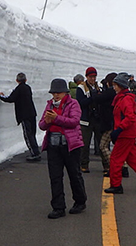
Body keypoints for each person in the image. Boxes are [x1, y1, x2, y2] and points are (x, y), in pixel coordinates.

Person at [38, 78, 87, 218]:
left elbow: (74, 121)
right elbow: (41, 125)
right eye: (54, 93)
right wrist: (47, 122)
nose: (56, 95)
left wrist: (56, 119)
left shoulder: (73, 104)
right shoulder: (50, 106)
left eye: (58, 92)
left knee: (74, 174)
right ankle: (58, 207)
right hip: (54, 146)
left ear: (65, 92)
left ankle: (80, 201)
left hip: (70, 145)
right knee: (55, 177)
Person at [0, 72, 41, 161]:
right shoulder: (28, 88)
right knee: (32, 134)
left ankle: (34, 154)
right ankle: (36, 152)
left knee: (28, 135)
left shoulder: (18, 89)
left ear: (17, 80)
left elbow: (10, 99)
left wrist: (1, 96)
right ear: (26, 80)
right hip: (32, 113)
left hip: (24, 115)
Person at [76, 67, 101, 173]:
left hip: (97, 119)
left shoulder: (99, 87)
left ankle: (106, 166)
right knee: (85, 144)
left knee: (101, 143)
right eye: (91, 77)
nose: (93, 79)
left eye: (94, 77)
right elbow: (80, 103)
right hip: (86, 119)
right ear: (86, 77)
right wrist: (92, 98)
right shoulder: (81, 88)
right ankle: (84, 165)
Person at [94, 73, 117, 177]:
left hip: (109, 123)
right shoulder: (115, 93)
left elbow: (99, 99)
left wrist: (96, 93)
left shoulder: (110, 92)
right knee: (119, 148)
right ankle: (122, 167)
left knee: (103, 146)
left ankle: (115, 167)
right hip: (114, 123)